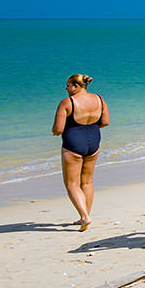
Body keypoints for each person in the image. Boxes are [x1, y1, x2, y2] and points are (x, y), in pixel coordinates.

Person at [51, 73, 109, 230]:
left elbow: (58, 129)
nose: (66, 88)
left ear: (76, 86)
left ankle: (84, 216)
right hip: (94, 142)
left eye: (68, 85)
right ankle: (85, 216)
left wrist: (56, 131)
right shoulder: (99, 99)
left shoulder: (67, 102)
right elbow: (105, 122)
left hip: (73, 143)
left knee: (71, 184)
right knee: (87, 181)